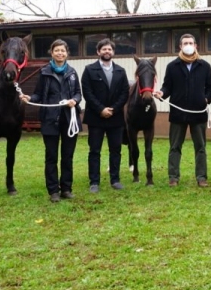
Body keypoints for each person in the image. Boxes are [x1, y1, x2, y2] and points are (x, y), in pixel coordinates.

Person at [20, 39, 82, 203]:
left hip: (69, 120)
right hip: (50, 119)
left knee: (67, 156)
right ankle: (53, 191)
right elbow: (38, 94)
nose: (60, 53)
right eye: (57, 50)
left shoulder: (73, 72)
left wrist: (74, 101)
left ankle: (67, 189)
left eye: (63, 50)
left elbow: (78, 93)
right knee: (51, 156)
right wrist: (30, 98)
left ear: (67, 53)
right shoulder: (44, 72)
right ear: (52, 52)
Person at [154, 34, 211, 187]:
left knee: (200, 147)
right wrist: (162, 93)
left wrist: (206, 98)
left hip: (199, 114)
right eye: (185, 43)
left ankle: (201, 177)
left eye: (191, 43)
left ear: (196, 46)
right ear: (180, 47)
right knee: (175, 147)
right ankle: (173, 177)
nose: (188, 45)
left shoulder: (204, 66)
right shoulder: (172, 66)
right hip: (178, 115)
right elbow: (167, 86)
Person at [81, 38, 129, 193]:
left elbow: (124, 93)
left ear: (113, 52)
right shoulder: (89, 70)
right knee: (95, 150)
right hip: (96, 117)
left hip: (115, 118)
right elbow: (87, 93)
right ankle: (94, 182)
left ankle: (115, 180)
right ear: (98, 52)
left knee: (115, 150)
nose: (107, 51)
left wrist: (113, 109)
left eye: (109, 49)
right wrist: (101, 109)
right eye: (104, 49)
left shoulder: (121, 71)